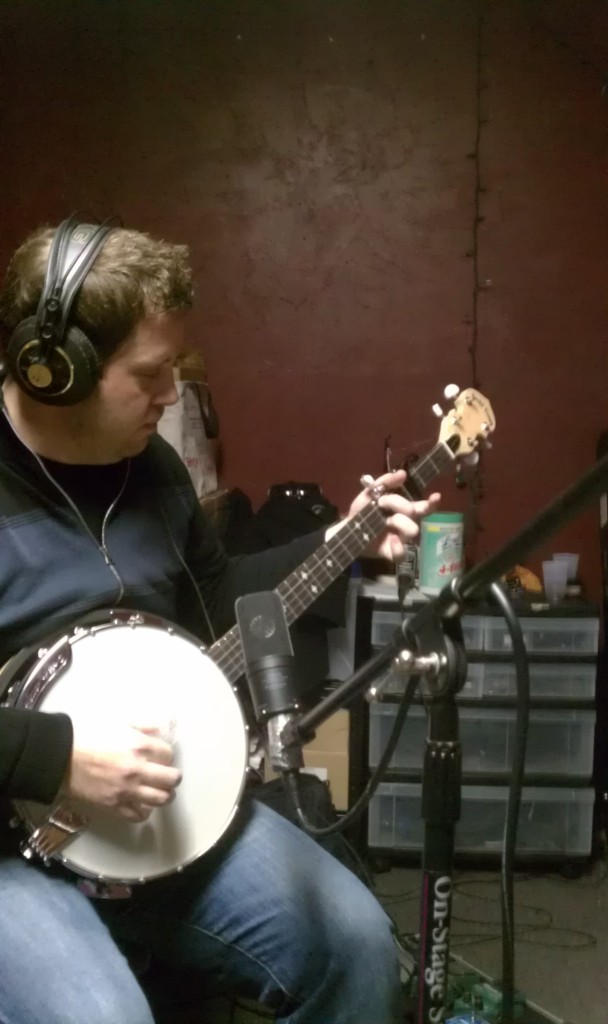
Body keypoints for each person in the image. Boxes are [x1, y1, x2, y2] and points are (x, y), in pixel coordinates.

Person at [0, 217, 440, 1024]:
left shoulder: (155, 470)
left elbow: (222, 597)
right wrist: (56, 757)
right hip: (8, 849)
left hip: (157, 808)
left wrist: (345, 545)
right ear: (56, 369)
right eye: (152, 372)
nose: (174, 395)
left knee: (358, 948)